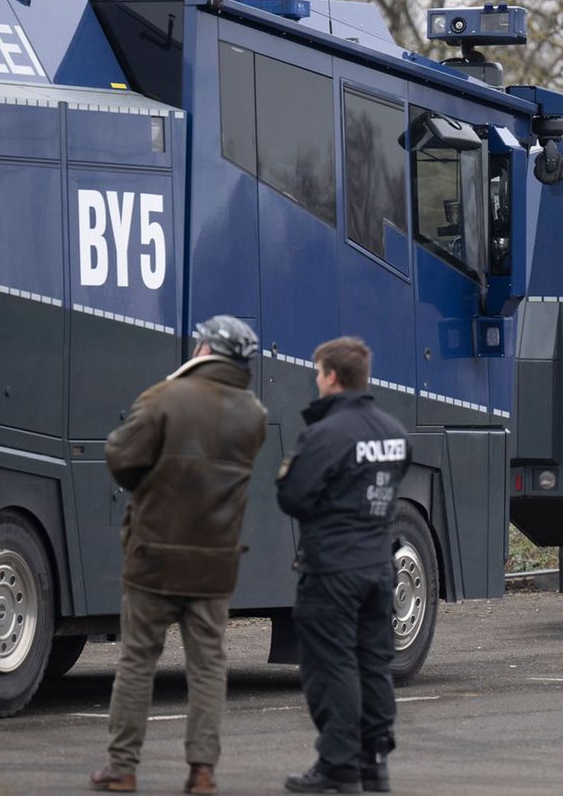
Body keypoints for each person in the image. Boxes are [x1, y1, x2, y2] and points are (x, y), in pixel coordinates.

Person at [89, 316, 268, 795]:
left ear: (206, 348)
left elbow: (121, 458)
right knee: (208, 666)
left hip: (154, 559)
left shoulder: (162, 399)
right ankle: (203, 772)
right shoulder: (253, 415)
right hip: (214, 563)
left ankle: (123, 768)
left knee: (137, 661)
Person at [276, 336, 411, 794]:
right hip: (378, 566)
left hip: (332, 569)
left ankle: (338, 764)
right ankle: (374, 761)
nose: (317, 381)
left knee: (329, 664)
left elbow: (292, 496)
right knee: (373, 663)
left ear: (332, 377)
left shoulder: (326, 434)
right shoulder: (393, 431)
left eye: (318, 373)